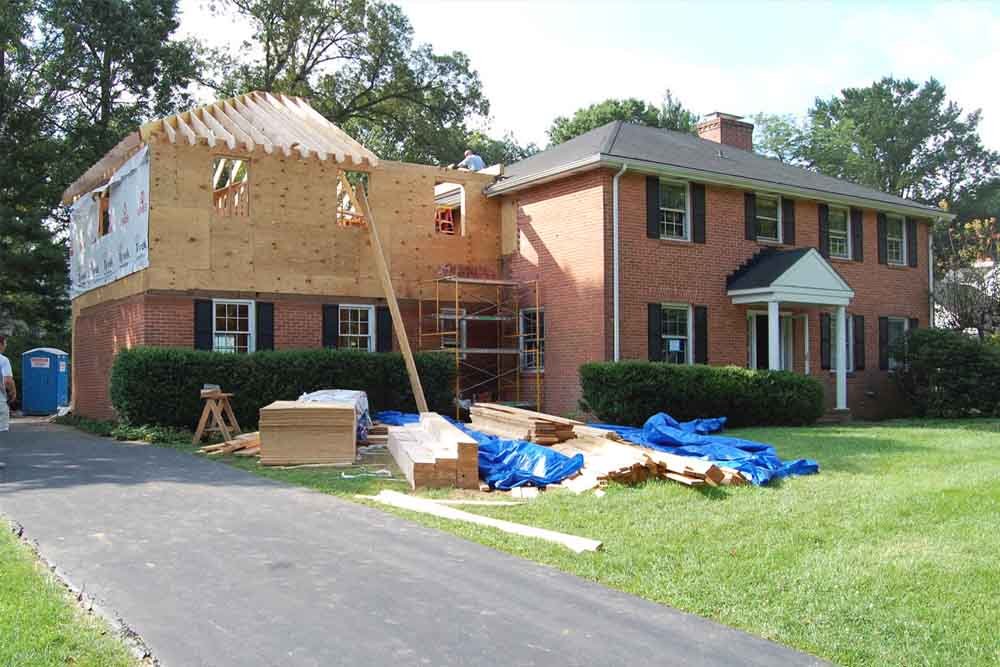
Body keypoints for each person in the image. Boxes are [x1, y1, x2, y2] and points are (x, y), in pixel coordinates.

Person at [0, 334, 14, 436]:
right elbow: (7, 381)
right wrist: (12, 393)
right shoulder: (3, 360)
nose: (6, 345)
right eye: (5, 343)